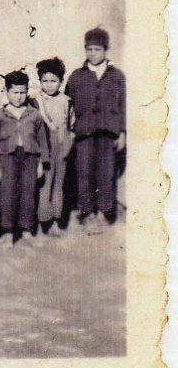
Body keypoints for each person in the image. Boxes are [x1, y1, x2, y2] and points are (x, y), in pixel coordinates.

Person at [65, 28, 126, 235]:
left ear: (106, 50)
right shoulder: (76, 76)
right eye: (89, 49)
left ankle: (103, 211)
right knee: (84, 173)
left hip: (108, 133)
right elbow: (68, 105)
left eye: (97, 49)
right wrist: (70, 131)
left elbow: (123, 105)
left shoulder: (116, 76)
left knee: (106, 173)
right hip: (84, 133)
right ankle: (87, 213)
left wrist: (122, 132)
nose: (93, 53)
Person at [0, 70, 50, 246]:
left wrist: (41, 162)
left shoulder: (34, 114)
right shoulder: (1, 114)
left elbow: (42, 139)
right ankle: (8, 232)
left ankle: (26, 230)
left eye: (22, 92)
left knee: (28, 193)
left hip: (30, 157)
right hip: (7, 157)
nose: (19, 96)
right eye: (15, 92)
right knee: (8, 193)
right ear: (7, 92)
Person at [33, 57, 75, 237]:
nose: (49, 85)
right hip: (45, 146)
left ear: (61, 81)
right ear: (40, 81)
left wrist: (67, 146)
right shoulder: (35, 101)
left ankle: (57, 220)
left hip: (62, 144)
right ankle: (45, 221)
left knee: (59, 184)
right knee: (45, 184)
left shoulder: (67, 100)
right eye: (45, 81)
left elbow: (72, 126)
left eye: (53, 81)